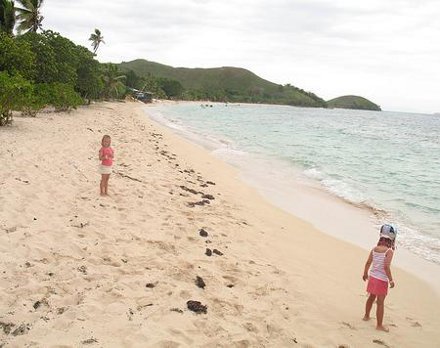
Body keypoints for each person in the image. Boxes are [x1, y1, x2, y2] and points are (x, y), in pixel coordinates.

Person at [362, 224, 397, 332]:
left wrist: (365, 274)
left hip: (372, 278)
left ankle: (366, 316)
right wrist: (391, 280)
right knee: (380, 302)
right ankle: (379, 325)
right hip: (381, 280)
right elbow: (386, 267)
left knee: (371, 298)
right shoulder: (389, 251)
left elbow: (368, 262)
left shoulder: (374, 249)